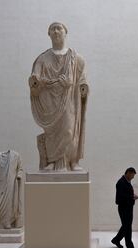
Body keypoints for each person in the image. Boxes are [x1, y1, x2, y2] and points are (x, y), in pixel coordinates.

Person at [29, 22, 89, 171]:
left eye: (59, 28)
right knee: (51, 133)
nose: (56, 31)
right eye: (52, 29)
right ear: (49, 34)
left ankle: (72, 161)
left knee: (70, 129)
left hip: (70, 100)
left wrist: (80, 88)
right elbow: (34, 79)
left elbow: (82, 81)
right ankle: (53, 161)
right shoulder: (42, 59)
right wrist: (36, 82)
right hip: (49, 102)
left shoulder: (76, 58)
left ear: (65, 32)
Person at [111, 167, 138, 248]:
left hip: (128, 207)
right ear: (128, 173)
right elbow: (119, 198)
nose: (133, 177)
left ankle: (116, 240)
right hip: (124, 208)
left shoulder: (126, 181)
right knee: (128, 227)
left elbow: (126, 194)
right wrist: (132, 197)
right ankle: (130, 247)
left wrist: (132, 195)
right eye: (132, 175)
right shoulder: (121, 182)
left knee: (126, 226)